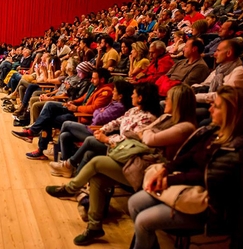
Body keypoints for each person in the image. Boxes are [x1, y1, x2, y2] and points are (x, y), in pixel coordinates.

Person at [45, 84, 198, 246]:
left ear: (178, 102)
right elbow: (138, 135)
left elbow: (148, 139)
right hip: (135, 158)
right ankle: (94, 226)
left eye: (168, 98)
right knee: (97, 177)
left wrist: (131, 136)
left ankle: (70, 187)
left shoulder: (182, 126)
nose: (165, 100)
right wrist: (118, 133)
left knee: (96, 160)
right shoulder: (165, 118)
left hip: (147, 170)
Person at [128, 86, 243, 249]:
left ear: (233, 113)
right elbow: (189, 155)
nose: (210, 109)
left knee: (143, 220)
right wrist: (166, 169)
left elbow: (205, 177)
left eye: (217, 106)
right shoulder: (213, 131)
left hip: (211, 207)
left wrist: (169, 180)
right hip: (189, 188)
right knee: (134, 202)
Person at [11, 68, 113, 160]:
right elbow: (84, 98)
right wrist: (74, 102)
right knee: (49, 106)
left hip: (82, 117)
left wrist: (76, 107)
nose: (91, 80)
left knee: (47, 118)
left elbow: (94, 109)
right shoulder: (95, 87)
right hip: (78, 110)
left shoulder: (106, 92)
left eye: (94, 78)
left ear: (102, 80)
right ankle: (33, 135)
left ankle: (36, 141)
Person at [49, 79, 134, 177]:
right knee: (65, 135)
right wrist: (98, 111)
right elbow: (97, 111)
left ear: (120, 96)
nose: (113, 92)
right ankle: (65, 165)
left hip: (96, 131)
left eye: (115, 91)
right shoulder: (113, 103)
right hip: (94, 128)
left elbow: (98, 117)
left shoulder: (119, 107)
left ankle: (64, 163)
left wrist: (98, 112)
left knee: (66, 124)